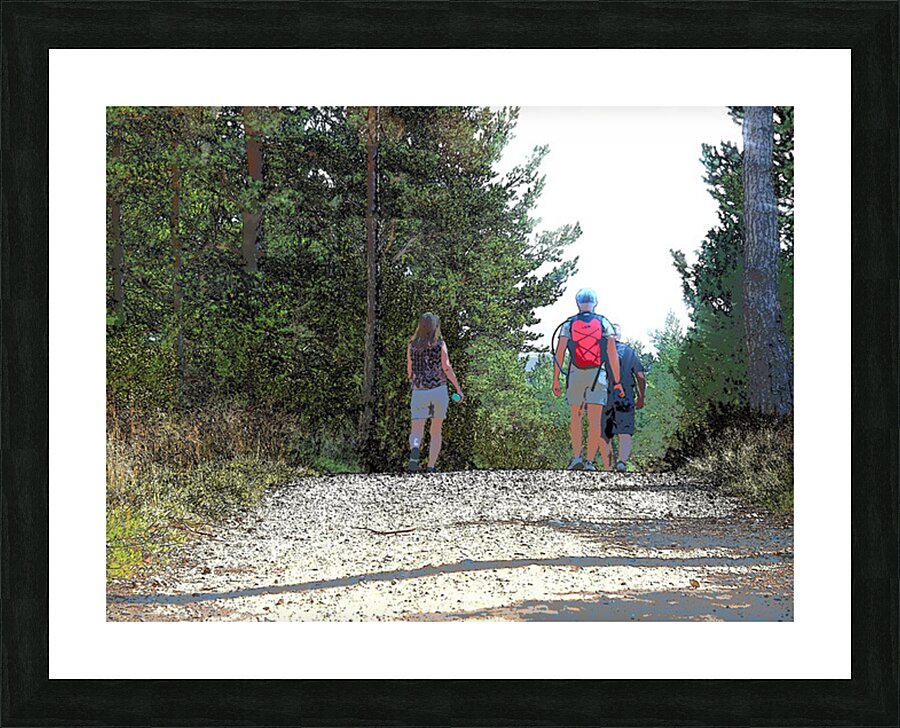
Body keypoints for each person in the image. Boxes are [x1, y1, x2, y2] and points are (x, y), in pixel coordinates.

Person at [551, 288, 624, 471]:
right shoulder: (604, 323)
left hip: (575, 373)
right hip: (597, 375)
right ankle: (590, 462)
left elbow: (559, 353)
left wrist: (556, 379)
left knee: (575, 418)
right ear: (595, 303)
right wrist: (617, 381)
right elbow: (612, 354)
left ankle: (577, 457)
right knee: (594, 420)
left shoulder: (568, 324)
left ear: (578, 303)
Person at [406, 312, 463, 473]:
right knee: (436, 430)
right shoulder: (440, 344)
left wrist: (413, 380)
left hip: (419, 391)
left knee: (416, 429)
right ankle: (431, 466)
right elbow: (446, 367)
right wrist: (458, 389)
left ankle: (415, 449)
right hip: (439, 390)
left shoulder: (412, 345)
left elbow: (409, 370)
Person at [600, 324, 646, 473]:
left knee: (605, 433)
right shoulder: (629, 352)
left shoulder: (601, 352)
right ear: (619, 335)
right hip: (625, 396)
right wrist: (641, 396)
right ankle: (621, 462)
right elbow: (640, 376)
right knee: (625, 431)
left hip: (605, 396)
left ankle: (607, 467)